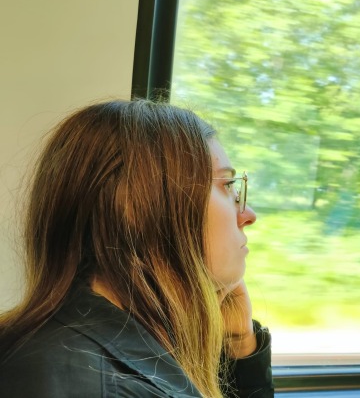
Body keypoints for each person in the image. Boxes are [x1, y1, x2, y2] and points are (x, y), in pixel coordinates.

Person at [0, 100, 273, 397]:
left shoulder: (121, 351)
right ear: (144, 209)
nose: (248, 215)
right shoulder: (103, 386)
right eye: (227, 185)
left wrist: (239, 346)